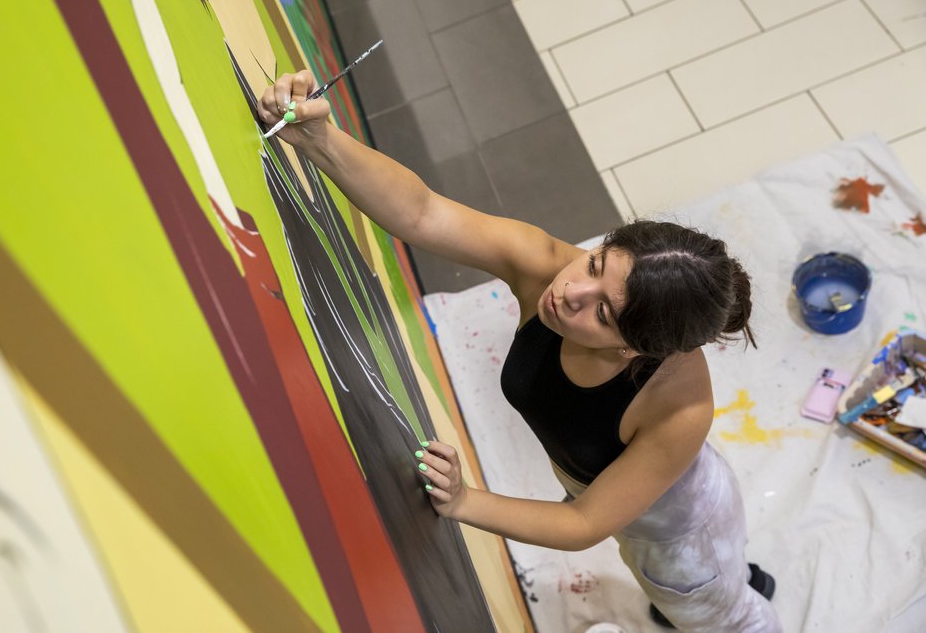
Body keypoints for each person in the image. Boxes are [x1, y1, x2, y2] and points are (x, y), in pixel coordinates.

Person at [260, 71, 782, 632]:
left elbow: (584, 523)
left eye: (602, 312)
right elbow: (423, 213)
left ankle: (730, 601)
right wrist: (321, 140)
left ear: (636, 352)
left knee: (710, 609)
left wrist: (464, 502)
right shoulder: (546, 266)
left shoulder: (681, 410)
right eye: (596, 262)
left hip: (677, 523)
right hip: (617, 487)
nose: (569, 292)